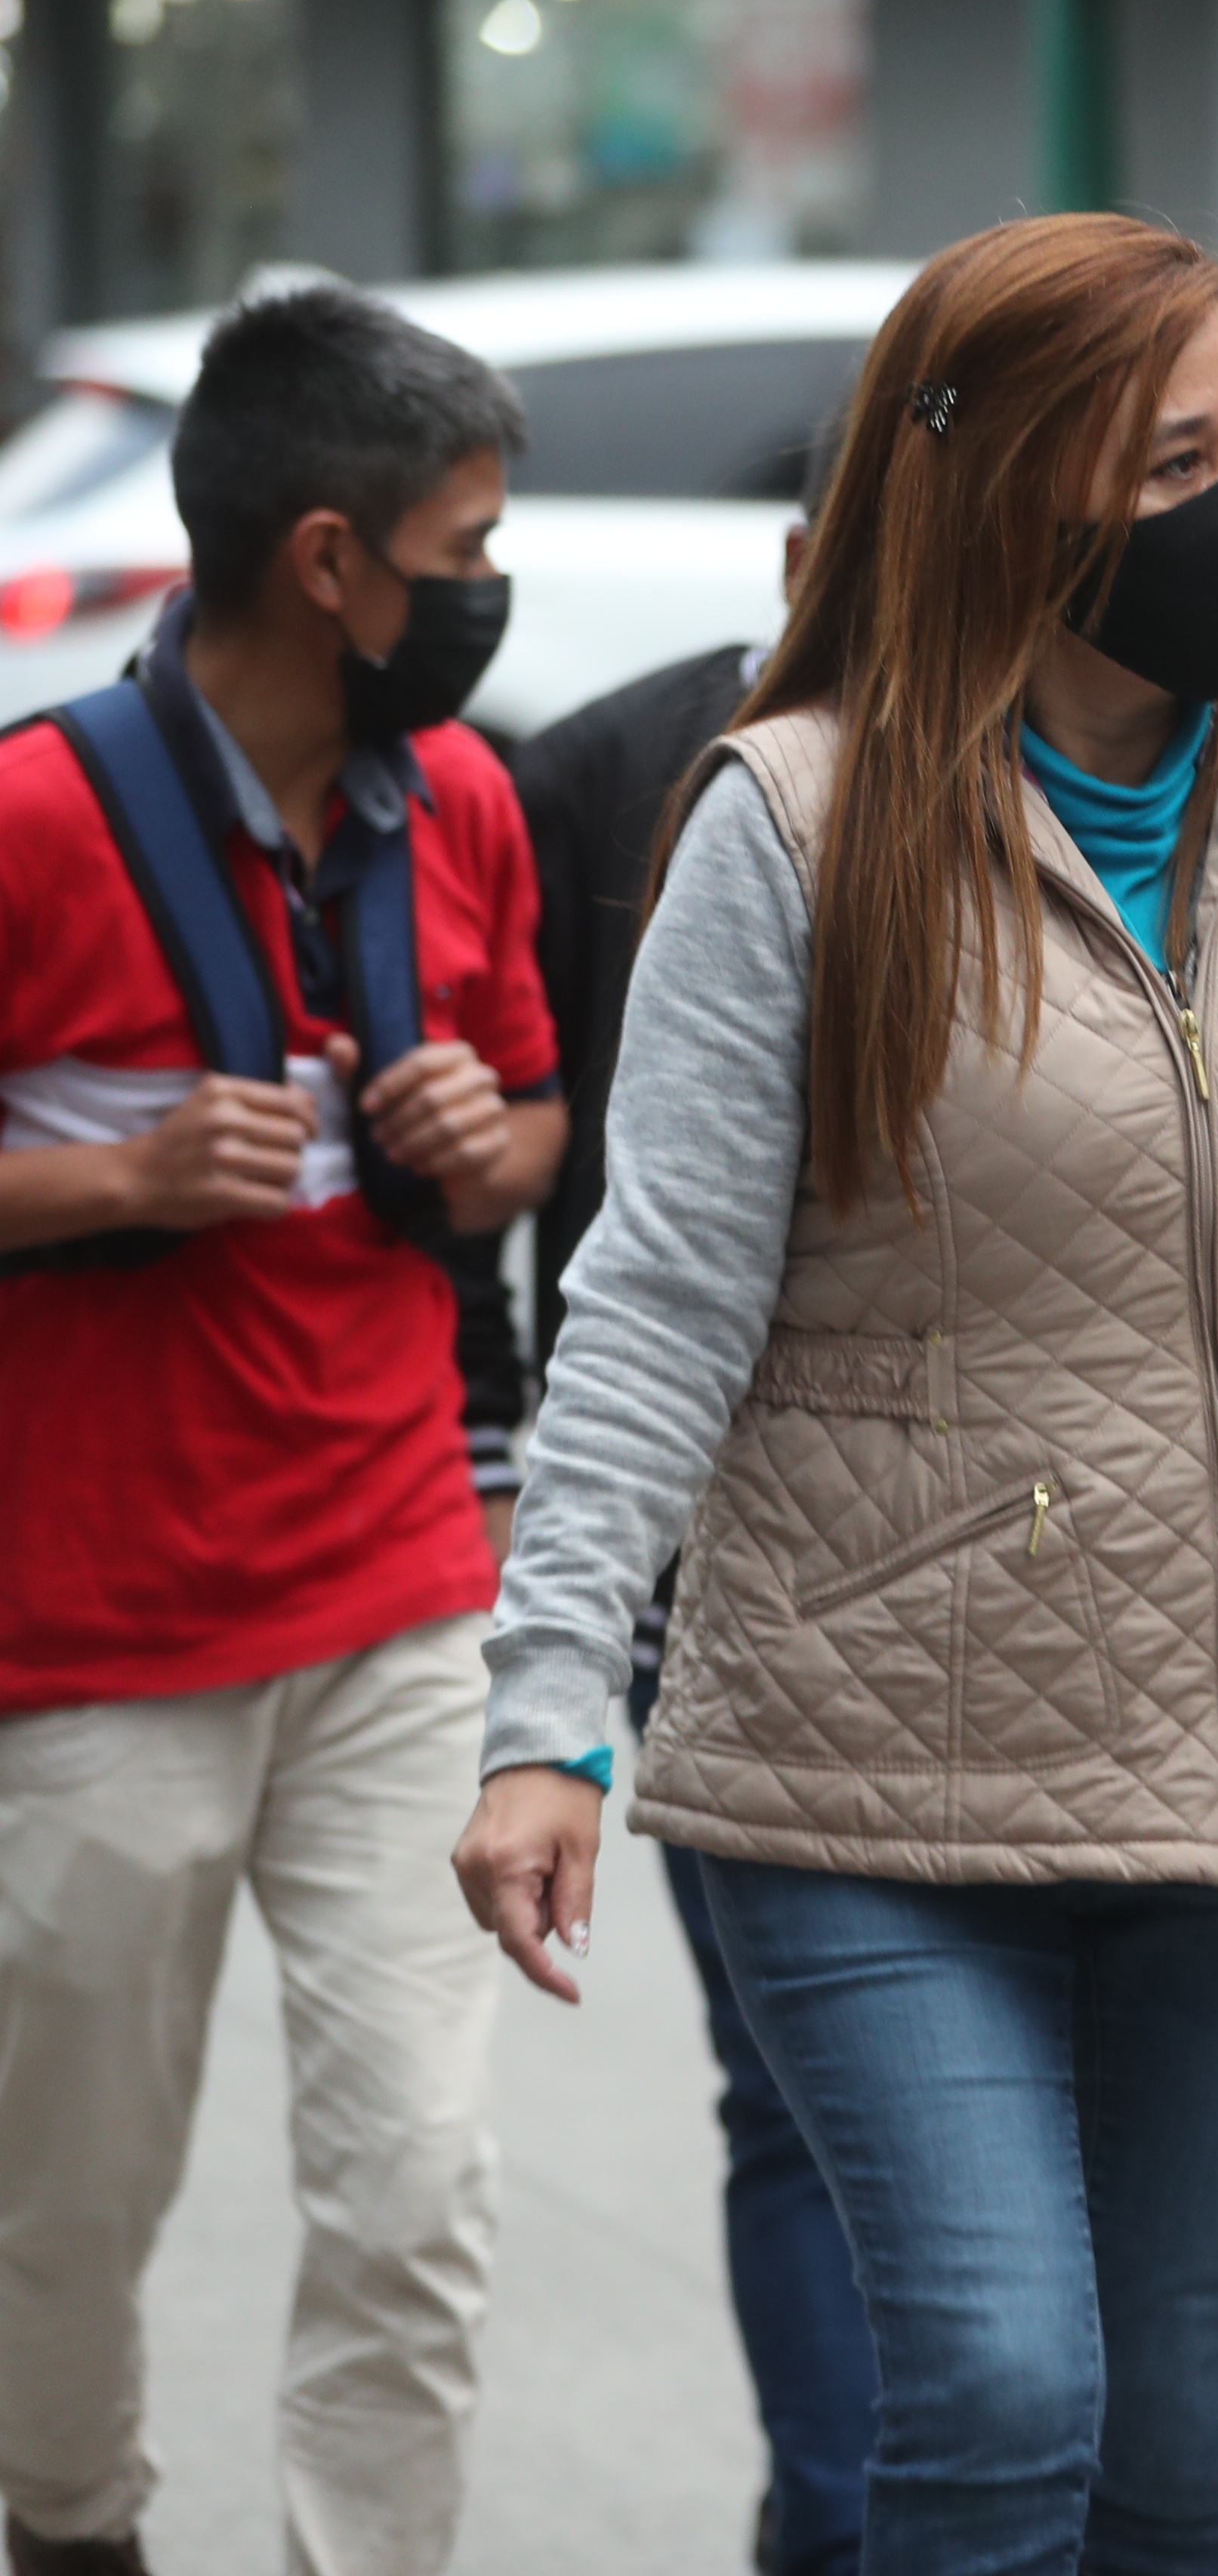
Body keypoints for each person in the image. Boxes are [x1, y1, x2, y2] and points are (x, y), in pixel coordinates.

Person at [449, 214, 1218, 2574]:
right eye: (1169, 462)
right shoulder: (790, 820)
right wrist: (547, 1708)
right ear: (1006, 491)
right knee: (1003, 2395)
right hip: (865, 1762)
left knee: (1165, 2463)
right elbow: (657, 1290)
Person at [0, 283, 563, 2576]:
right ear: (327, 561)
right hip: (93, 1634)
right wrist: (117, 1184)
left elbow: (532, 1128)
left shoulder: (468, 804)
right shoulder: (35, 820)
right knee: (68, 2208)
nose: (488, 592)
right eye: (464, 548)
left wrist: (487, 1136)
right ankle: (74, 2523)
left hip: (400, 1597)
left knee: (419, 2191)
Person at [477, 421, 881, 2575]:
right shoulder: (642, 774)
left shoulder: (1162, 768)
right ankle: (835, 2520)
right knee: (796, 2117)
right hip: (729, 1564)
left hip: (1038, 1572)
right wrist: (558, 1659)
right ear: (821, 549)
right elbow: (599, 1222)